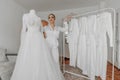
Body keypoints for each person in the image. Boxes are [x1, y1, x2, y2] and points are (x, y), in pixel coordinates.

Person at [10, 10, 65, 80]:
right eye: (49, 17)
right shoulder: (25, 16)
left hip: (39, 39)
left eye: (52, 17)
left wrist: (45, 35)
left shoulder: (39, 18)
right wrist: (23, 42)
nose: (51, 19)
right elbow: (23, 30)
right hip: (29, 38)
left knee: (39, 56)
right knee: (29, 56)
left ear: (54, 19)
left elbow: (41, 30)